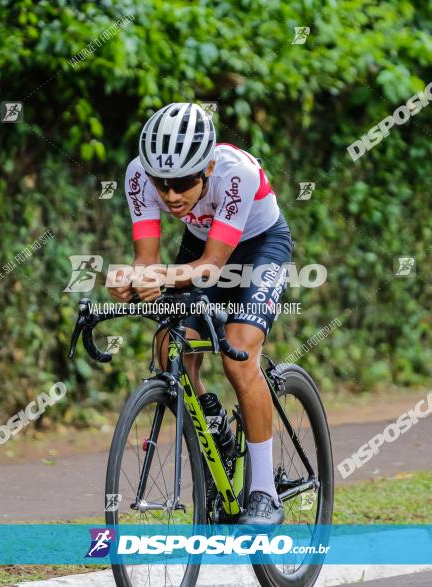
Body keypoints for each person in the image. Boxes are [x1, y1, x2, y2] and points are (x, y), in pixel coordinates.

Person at [108, 102, 293, 525]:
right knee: (168, 347)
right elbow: (147, 258)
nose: (171, 195)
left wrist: (160, 277)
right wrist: (130, 280)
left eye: (184, 182)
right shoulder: (138, 174)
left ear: (207, 167)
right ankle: (215, 428)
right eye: (162, 184)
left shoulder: (236, 174)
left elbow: (211, 267)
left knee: (239, 354)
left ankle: (264, 491)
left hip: (258, 245)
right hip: (200, 243)